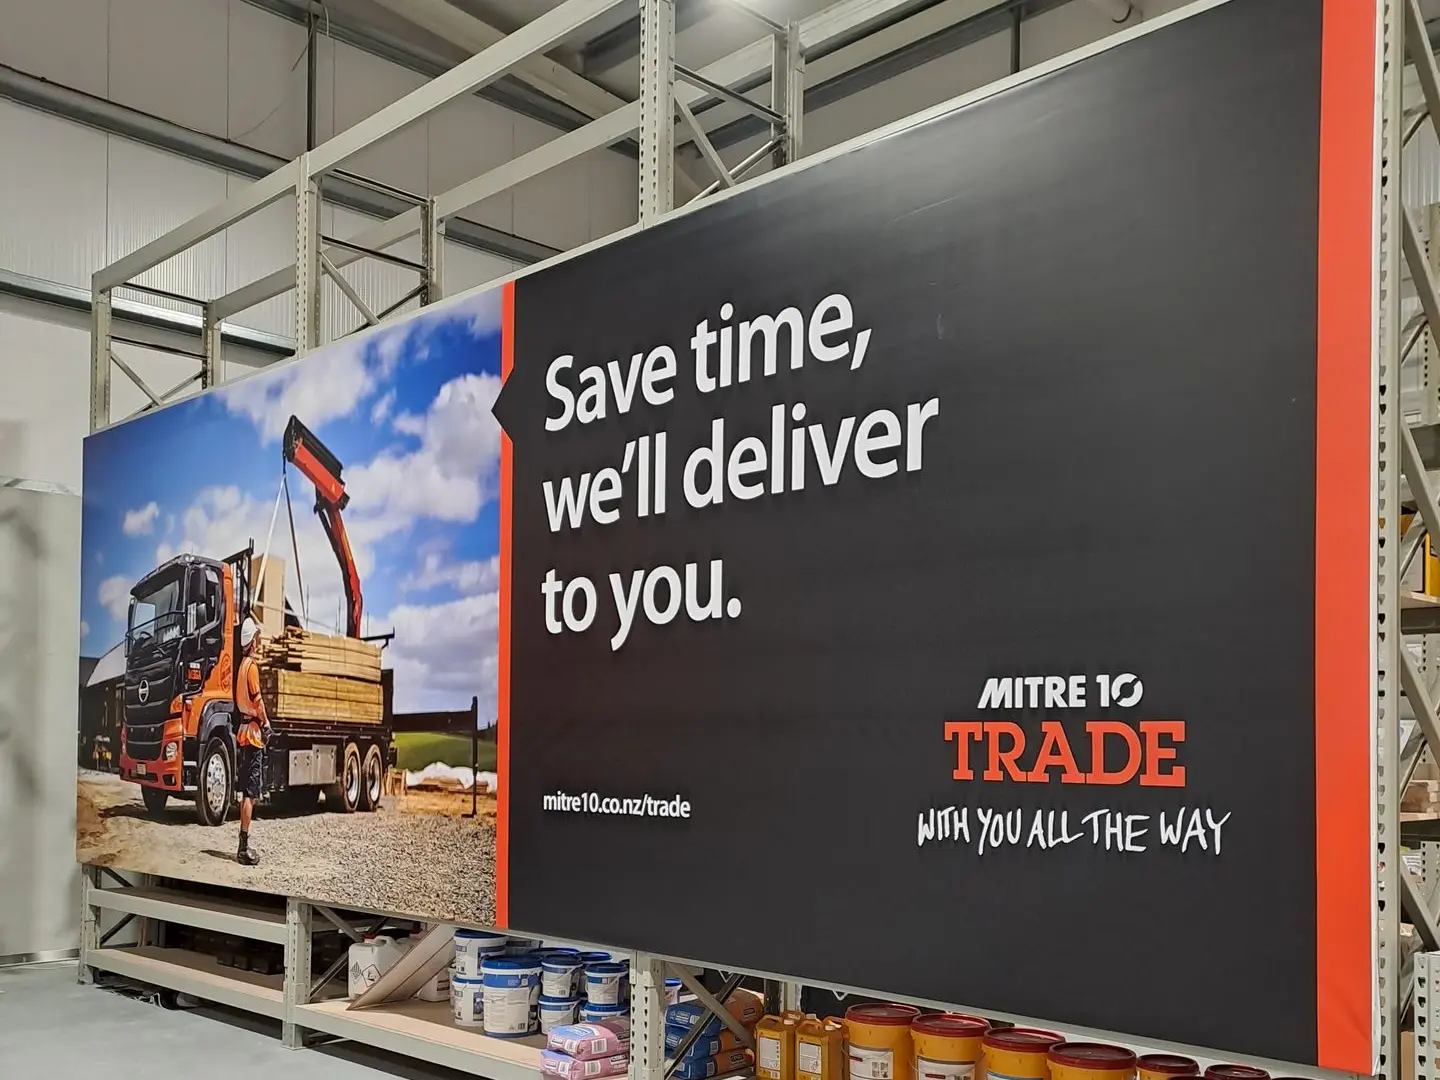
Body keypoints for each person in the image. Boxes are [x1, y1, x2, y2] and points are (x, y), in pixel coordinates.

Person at [234, 616, 272, 866]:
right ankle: (243, 847)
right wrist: (267, 724)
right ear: (252, 642)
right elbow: (257, 701)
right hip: (254, 734)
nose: (258, 641)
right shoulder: (253, 668)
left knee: (249, 790)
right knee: (251, 792)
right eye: (256, 638)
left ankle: (242, 844)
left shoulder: (241, 667)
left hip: (243, 731)